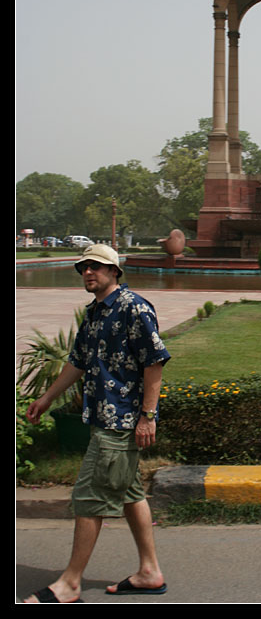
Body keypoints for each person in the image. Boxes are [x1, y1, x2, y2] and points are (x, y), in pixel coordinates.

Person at [23, 244, 171, 603]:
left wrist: (148, 417)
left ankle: (70, 583)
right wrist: (47, 398)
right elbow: (78, 360)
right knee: (131, 494)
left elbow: (154, 363)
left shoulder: (134, 307)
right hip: (104, 417)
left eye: (96, 266)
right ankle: (150, 571)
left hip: (121, 420)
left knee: (89, 497)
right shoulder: (94, 312)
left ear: (114, 270)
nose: (88, 272)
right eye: (83, 267)